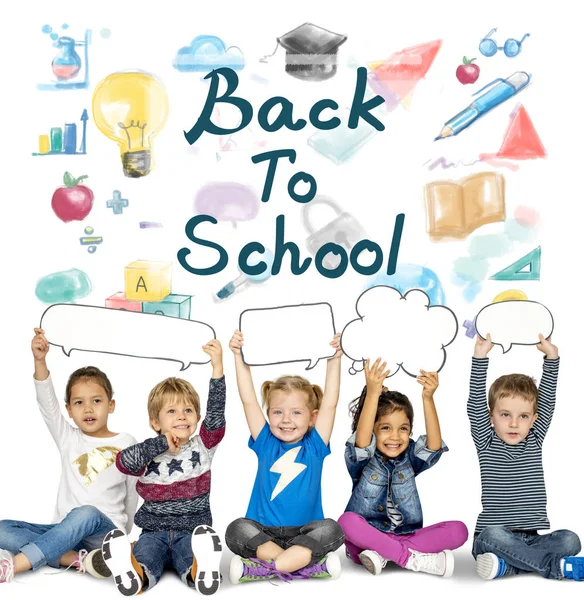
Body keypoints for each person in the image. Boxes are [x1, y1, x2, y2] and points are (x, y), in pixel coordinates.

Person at [0, 328, 138, 584]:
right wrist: (40, 360)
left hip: (104, 532)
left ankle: (16, 565)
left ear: (111, 405)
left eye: (96, 401)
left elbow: (133, 493)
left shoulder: (127, 443)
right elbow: (47, 404)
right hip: (65, 530)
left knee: (86, 512)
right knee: (2, 529)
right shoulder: (68, 437)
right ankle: (80, 560)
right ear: (69, 410)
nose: (87, 408)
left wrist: (125, 533)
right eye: (78, 403)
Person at [101, 339, 225, 595]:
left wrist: (217, 369)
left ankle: (202, 571)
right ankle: (133, 575)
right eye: (172, 411)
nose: (181, 416)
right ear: (155, 422)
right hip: (152, 532)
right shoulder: (147, 451)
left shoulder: (203, 446)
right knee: (146, 558)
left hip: (192, 532)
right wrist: (158, 445)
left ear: (197, 419)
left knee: (190, 557)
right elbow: (123, 462)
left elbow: (215, 415)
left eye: (188, 410)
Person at [225, 330, 345, 584]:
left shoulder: (315, 445)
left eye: (296, 413)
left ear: (313, 417)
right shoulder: (266, 441)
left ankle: (266, 568)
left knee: (332, 529)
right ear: (268, 414)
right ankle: (302, 566)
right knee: (236, 528)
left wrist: (334, 359)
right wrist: (238, 356)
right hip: (263, 534)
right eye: (277, 412)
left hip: (305, 533)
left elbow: (331, 403)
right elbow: (248, 401)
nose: (286, 420)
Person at [338, 358, 468, 577]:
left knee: (459, 530)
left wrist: (428, 398)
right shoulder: (362, 459)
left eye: (403, 429)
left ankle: (385, 553)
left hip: (406, 535)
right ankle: (409, 558)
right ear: (373, 430)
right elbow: (361, 441)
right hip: (367, 538)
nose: (395, 437)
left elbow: (433, 447)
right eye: (386, 428)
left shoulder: (408, 458)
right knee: (346, 522)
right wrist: (372, 393)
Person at [469, 333, 583, 581]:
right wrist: (480, 357)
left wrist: (551, 357)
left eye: (523, 416)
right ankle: (554, 568)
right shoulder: (485, 441)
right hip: (494, 536)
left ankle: (507, 567)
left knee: (570, 540)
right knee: (491, 537)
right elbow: (475, 404)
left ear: (534, 419)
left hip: (532, 537)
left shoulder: (534, 440)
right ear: (491, 417)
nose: (513, 423)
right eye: (505, 414)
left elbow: (548, 402)